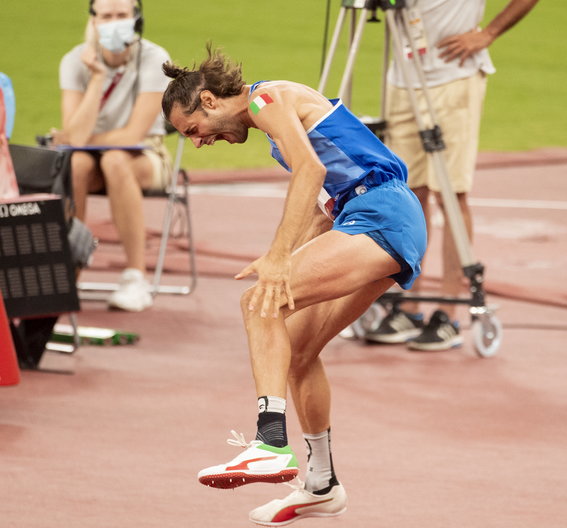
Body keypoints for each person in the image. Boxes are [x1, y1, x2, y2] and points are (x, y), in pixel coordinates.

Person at [161, 46, 426, 524]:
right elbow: (323, 204)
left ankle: (269, 445)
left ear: (209, 100)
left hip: (380, 213)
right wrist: (284, 257)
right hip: (371, 218)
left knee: (260, 304)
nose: (199, 142)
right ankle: (321, 483)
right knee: (297, 353)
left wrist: (280, 260)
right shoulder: (272, 126)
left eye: (193, 131)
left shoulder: (267, 101)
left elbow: (313, 171)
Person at [364, 0, 539, 351]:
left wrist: (488, 33)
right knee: (406, 194)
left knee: (450, 192)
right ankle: (408, 307)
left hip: (452, 78)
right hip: (403, 77)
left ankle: (448, 311)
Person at [52, 0, 172, 311]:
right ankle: (70, 274)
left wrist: (79, 138)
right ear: (92, 21)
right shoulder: (73, 61)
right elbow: (74, 140)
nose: (114, 22)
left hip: (147, 154)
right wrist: (97, 78)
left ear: (136, 19)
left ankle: (136, 278)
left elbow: (133, 135)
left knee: (115, 159)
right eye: (106, 16)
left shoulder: (154, 58)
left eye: (122, 15)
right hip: (88, 158)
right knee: (74, 163)